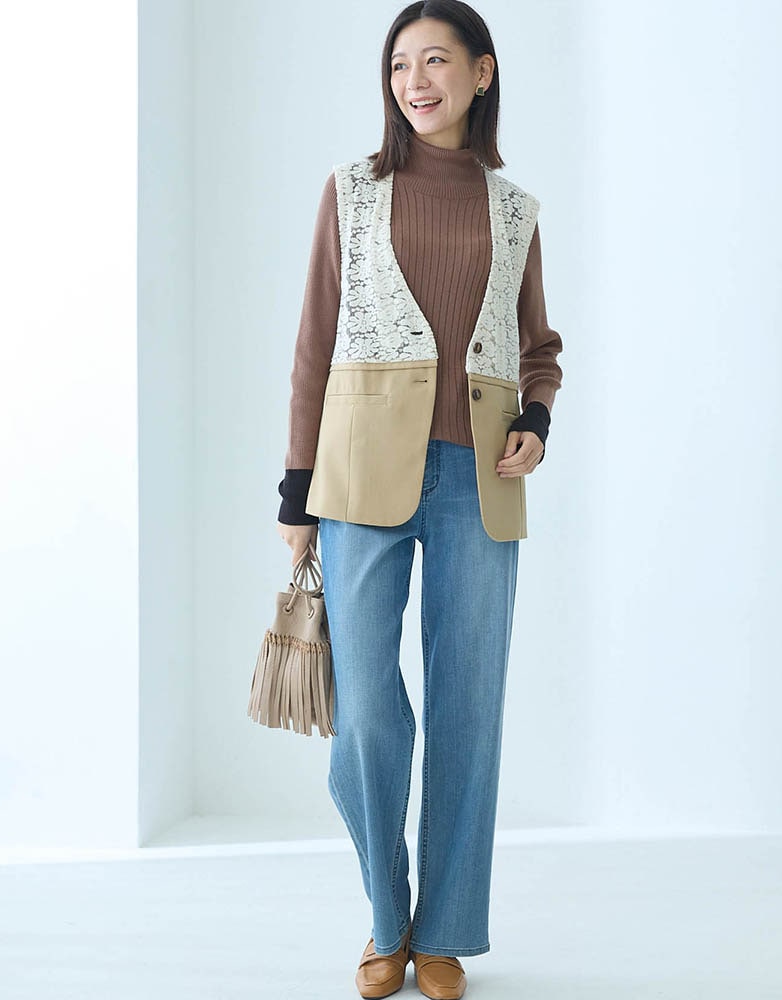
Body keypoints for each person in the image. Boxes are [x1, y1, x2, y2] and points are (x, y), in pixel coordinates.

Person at [276, 2, 563, 997]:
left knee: (468, 708)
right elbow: (315, 341)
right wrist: (296, 490)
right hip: (359, 471)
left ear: (482, 72)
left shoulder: (514, 209)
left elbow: (538, 346)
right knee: (365, 713)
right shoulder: (352, 191)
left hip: (480, 476)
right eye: (400, 64)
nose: (416, 81)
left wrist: (536, 419)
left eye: (436, 60)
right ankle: (384, 916)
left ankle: (441, 933)